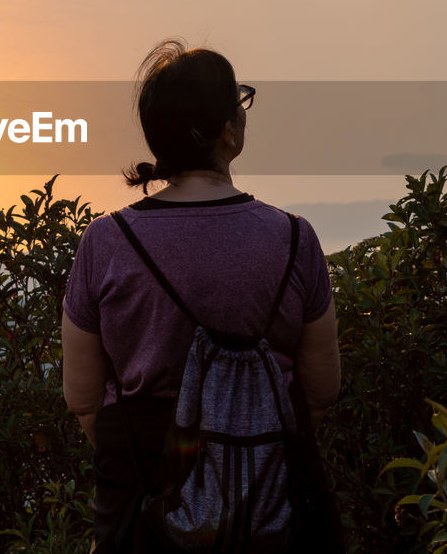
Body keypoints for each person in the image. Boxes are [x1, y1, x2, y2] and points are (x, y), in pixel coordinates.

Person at [61, 40, 343, 552]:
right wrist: (248, 453)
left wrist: (158, 467)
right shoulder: (295, 239)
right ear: (227, 132)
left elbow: (83, 399)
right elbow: (320, 390)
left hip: (142, 513)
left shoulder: (106, 244)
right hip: (271, 512)